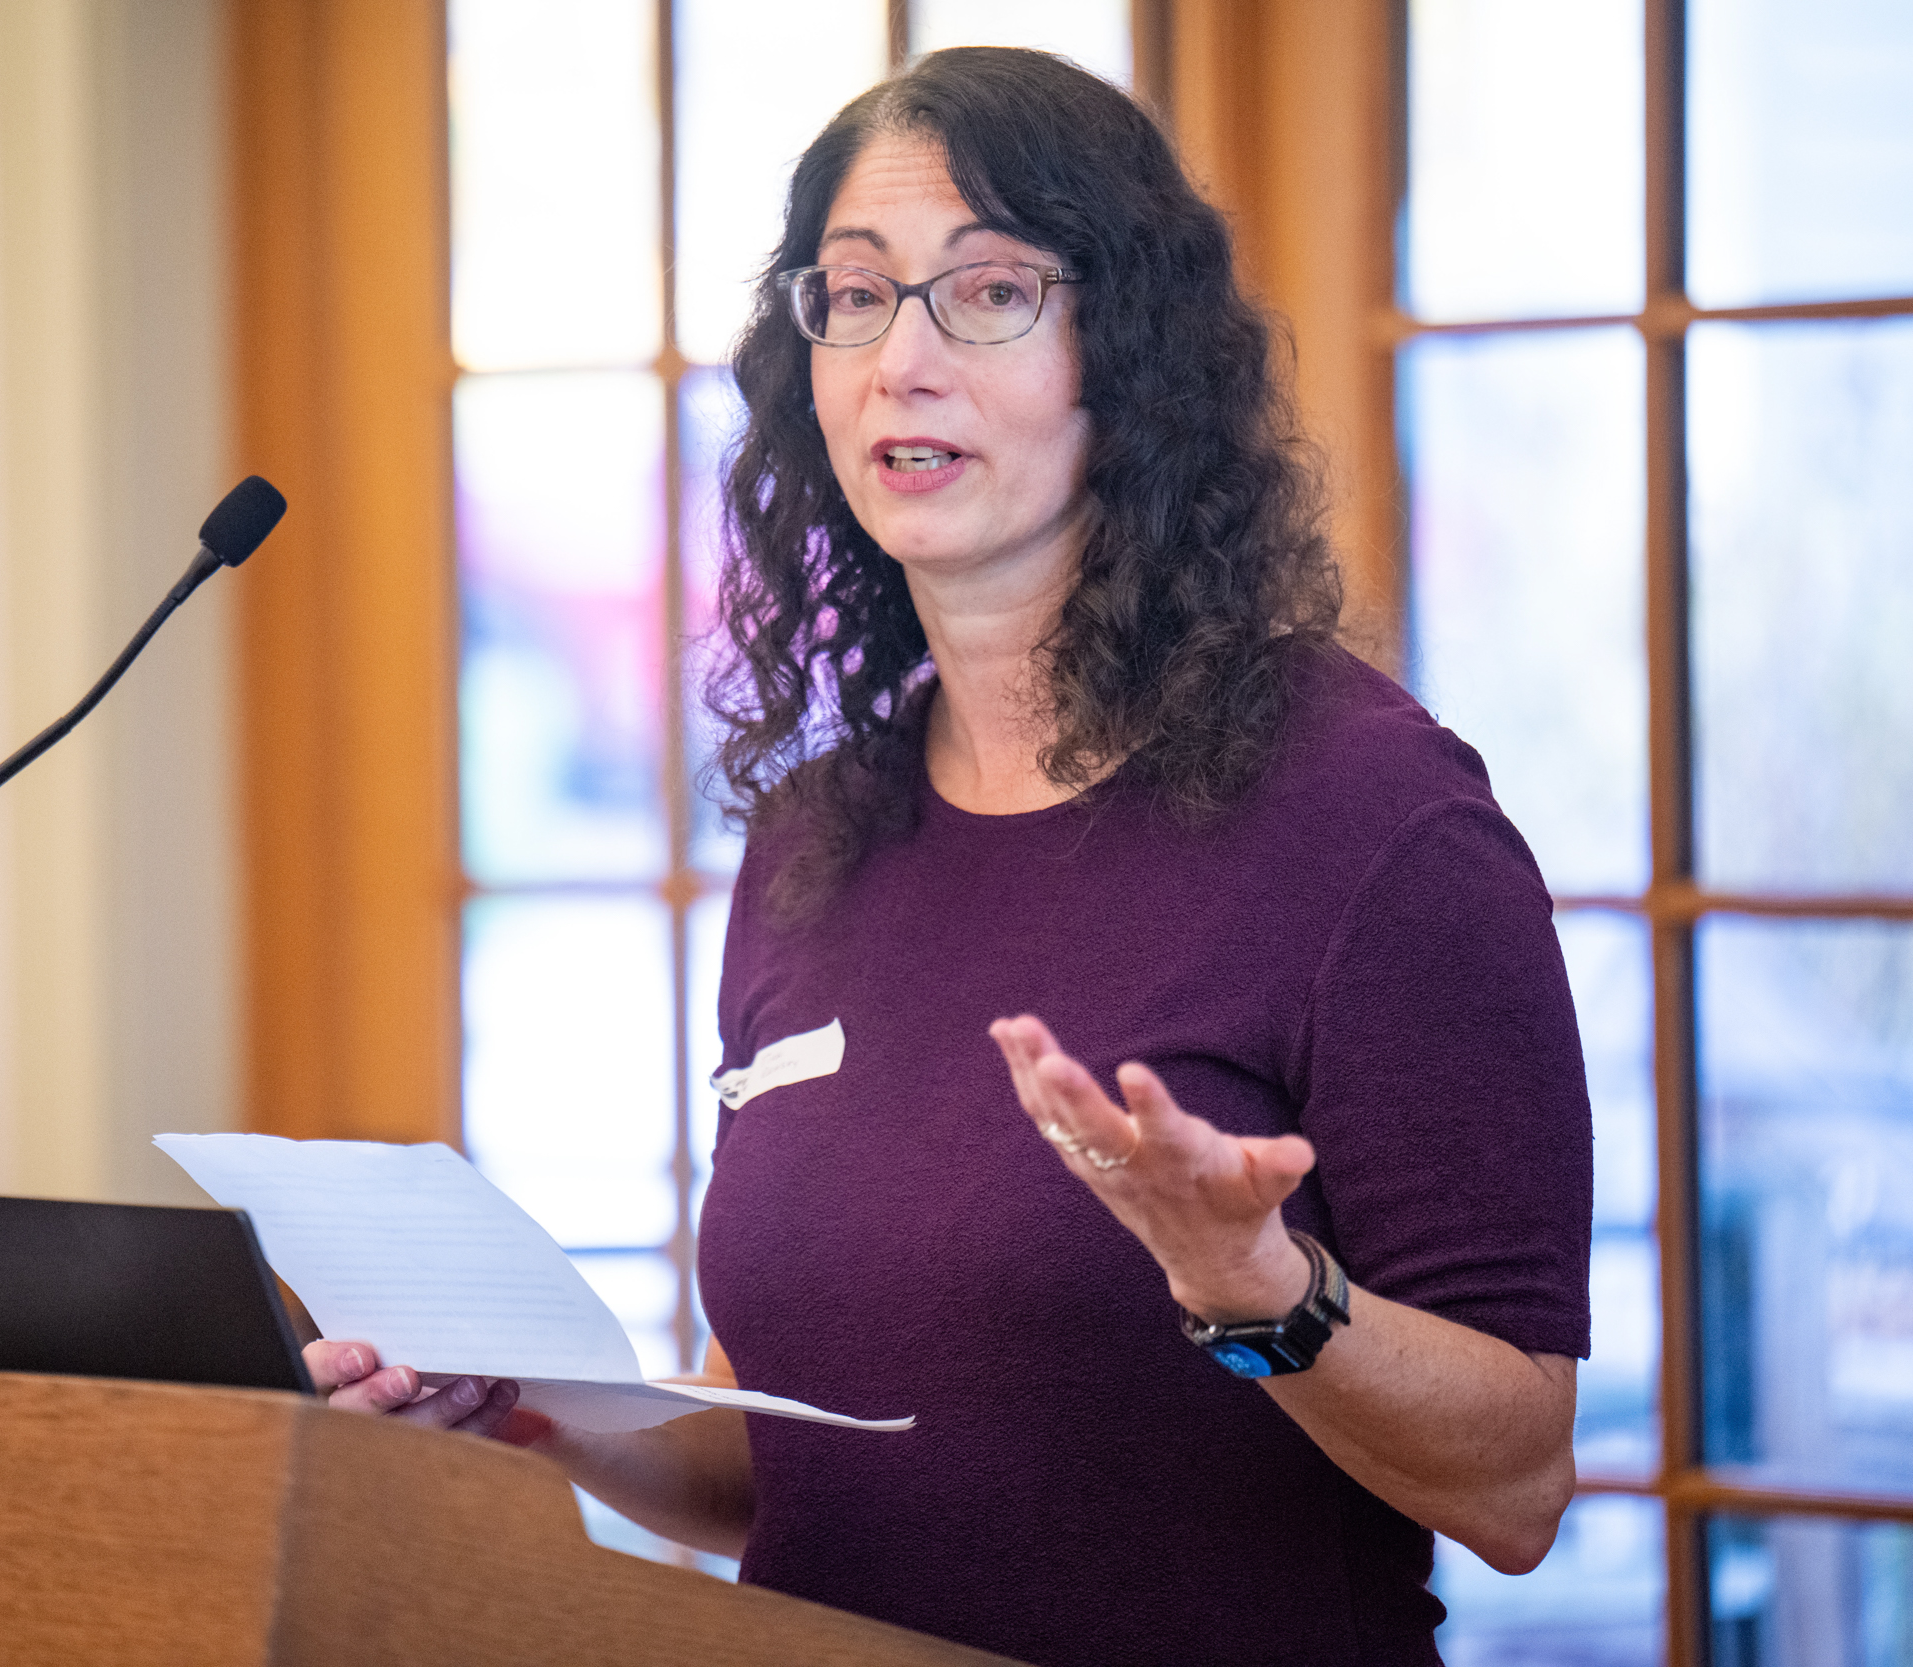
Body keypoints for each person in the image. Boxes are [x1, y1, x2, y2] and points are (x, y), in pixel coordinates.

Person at [308, 46, 1592, 1667]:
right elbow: (803, 1457)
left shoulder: (1374, 825)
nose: (900, 360)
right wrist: (541, 1415)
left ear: (1123, 357)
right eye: (851, 297)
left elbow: (1520, 1485)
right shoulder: (819, 837)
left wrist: (1261, 1290)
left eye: (985, 294)